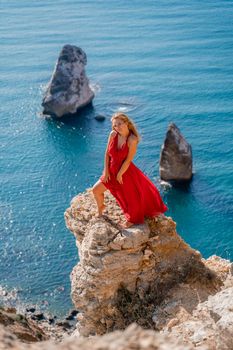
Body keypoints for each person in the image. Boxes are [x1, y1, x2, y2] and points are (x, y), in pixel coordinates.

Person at [92, 112, 168, 228]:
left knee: (130, 198)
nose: (117, 127)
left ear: (126, 123)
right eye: (115, 125)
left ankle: (132, 220)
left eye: (119, 124)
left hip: (125, 172)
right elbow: (107, 154)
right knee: (96, 190)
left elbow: (128, 160)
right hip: (111, 170)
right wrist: (106, 171)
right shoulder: (113, 134)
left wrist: (120, 174)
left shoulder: (132, 139)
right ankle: (100, 208)